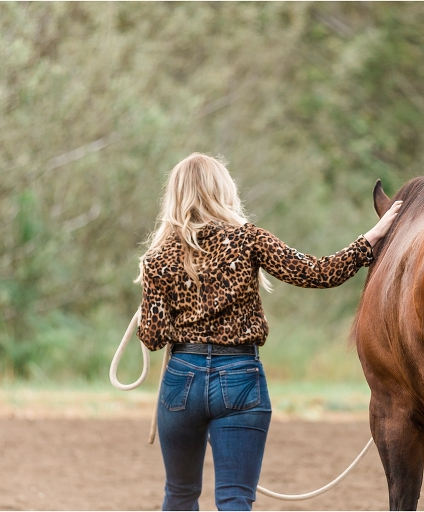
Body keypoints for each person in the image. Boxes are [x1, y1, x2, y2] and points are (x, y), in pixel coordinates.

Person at [135, 153, 402, 511]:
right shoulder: (248, 240)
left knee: (180, 495)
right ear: (223, 190)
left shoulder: (156, 259)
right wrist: (369, 240)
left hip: (182, 380)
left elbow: (152, 339)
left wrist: (155, 305)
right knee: (234, 499)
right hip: (239, 378)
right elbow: (317, 273)